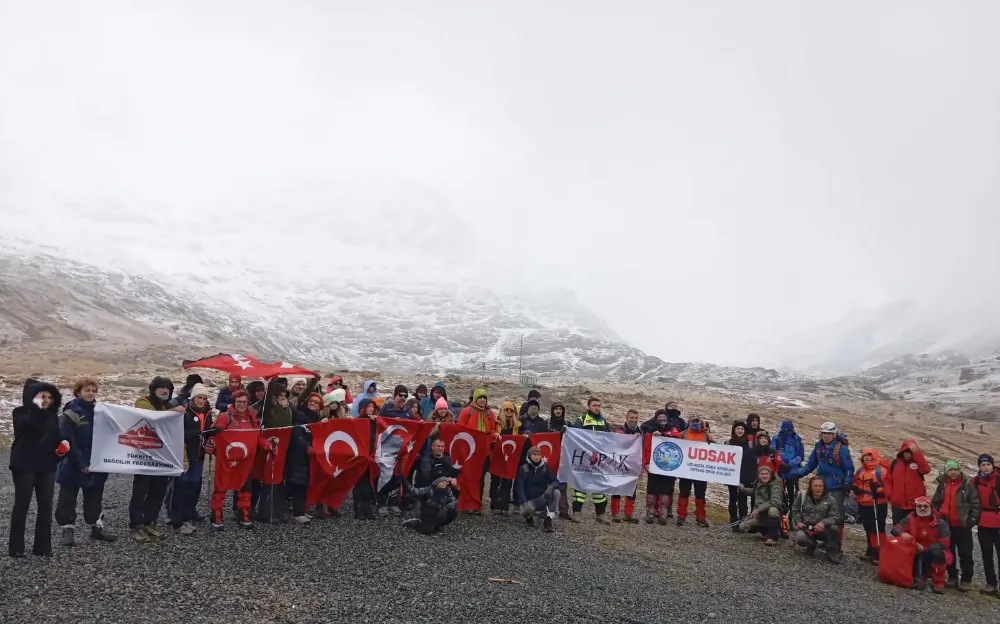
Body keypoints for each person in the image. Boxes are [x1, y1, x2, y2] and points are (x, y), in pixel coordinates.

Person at [9, 379, 67, 558]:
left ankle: (42, 547)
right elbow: (29, 427)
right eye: (42, 396)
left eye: (50, 397)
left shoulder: (53, 417)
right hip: (25, 465)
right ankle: (16, 547)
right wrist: (36, 408)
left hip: (47, 465)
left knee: (46, 506)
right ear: (32, 397)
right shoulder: (20, 413)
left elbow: (57, 438)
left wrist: (64, 445)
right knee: (22, 505)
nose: (46, 400)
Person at [55, 378, 116, 547]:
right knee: (67, 499)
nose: (91, 394)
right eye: (87, 390)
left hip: (96, 463)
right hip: (73, 463)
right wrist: (81, 464)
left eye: (94, 391)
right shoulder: (71, 413)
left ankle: (97, 527)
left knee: (94, 497)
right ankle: (67, 530)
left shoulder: (101, 411)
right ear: (78, 392)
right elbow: (68, 440)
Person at [129, 376, 184, 542]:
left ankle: (150, 521)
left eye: (168, 388)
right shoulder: (143, 402)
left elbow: (176, 432)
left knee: (158, 492)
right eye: (161, 387)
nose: (165, 390)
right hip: (144, 457)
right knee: (140, 491)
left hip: (163, 458)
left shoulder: (169, 405)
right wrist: (174, 412)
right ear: (153, 389)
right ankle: (136, 524)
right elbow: (151, 416)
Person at [207, 389, 271, 530]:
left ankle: (243, 514)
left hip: (245, 461)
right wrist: (211, 444)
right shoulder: (225, 417)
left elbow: (256, 436)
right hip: (227, 460)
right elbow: (214, 435)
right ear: (234, 402)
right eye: (239, 402)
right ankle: (216, 514)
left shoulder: (251, 418)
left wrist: (267, 444)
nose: (241, 404)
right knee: (221, 487)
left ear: (248, 403)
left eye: (244, 402)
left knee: (245, 486)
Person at [787, 422, 854, 539]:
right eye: (824, 433)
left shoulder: (841, 448)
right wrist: (798, 474)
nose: (826, 436)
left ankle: (835, 542)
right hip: (821, 486)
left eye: (829, 433)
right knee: (822, 513)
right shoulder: (818, 447)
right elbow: (811, 464)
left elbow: (849, 468)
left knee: (837, 515)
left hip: (837, 487)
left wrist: (848, 483)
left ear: (834, 434)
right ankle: (820, 538)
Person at [168, 383, 213, 535]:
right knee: (181, 486)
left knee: (194, 487)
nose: (202, 400)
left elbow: (207, 433)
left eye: (204, 398)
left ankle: (187, 517)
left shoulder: (207, 413)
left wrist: (210, 437)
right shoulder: (186, 412)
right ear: (193, 397)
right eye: (199, 397)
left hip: (199, 456)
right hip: (185, 455)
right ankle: (176, 521)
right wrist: (184, 455)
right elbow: (180, 434)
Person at [932, 458, 981, 591]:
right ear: (946, 471)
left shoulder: (967, 485)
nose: (953, 472)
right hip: (946, 525)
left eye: (956, 469)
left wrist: (972, 520)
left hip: (963, 525)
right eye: (950, 470)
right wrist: (937, 515)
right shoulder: (942, 484)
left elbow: (976, 504)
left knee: (965, 553)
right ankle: (952, 577)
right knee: (949, 552)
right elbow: (935, 501)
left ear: (960, 470)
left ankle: (966, 579)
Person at [891, 496, 951, 593]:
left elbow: (944, 542)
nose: (922, 508)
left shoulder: (940, 522)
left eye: (925, 506)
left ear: (931, 508)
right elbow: (896, 528)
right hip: (915, 550)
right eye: (919, 506)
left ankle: (938, 582)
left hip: (932, 551)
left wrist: (925, 548)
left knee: (938, 554)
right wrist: (902, 533)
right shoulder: (911, 517)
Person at [570, 397, 612, 524]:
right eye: (594, 405)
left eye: (599, 405)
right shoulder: (581, 420)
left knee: (598, 486)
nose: (597, 407)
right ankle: (576, 513)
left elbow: (610, 438)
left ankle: (600, 514)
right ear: (588, 406)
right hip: (584, 458)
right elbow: (575, 436)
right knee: (580, 486)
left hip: (598, 459)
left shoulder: (604, 422)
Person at [285, 392, 325, 524]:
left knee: (304, 484)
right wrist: (306, 447)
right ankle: (297, 513)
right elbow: (297, 434)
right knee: (298, 484)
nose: (313, 403)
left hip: (310, 457)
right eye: (311, 401)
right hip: (298, 455)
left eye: (316, 402)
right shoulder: (300, 415)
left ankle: (301, 510)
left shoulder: (317, 418)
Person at [850, 447, 890, 564]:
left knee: (878, 529)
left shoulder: (881, 471)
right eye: (865, 455)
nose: (866, 457)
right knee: (868, 527)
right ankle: (871, 551)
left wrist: (877, 490)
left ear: (875, 456)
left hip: (878, 503)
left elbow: (889, 487)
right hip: (864, 503)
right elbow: (856, 482)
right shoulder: (860, 471)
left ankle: (881, 553)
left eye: (869, 455)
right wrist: (856, 489)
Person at [790, 476, 842, 562]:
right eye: (816, 486)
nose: (818, 488)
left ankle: (831, 550)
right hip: (807, 527)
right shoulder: (802, 496)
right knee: (801, 538)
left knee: (834, 529)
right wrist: (798, 522)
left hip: (823, 528)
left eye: (820, 486)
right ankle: (811, 545)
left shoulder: (831, 499)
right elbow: (795, 510)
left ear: (824, 487)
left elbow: (835, 516)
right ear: (811, 487)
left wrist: (823, 523)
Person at [676, 416, 712, 527]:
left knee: (700, 494)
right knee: (684, 493)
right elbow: (672, 441)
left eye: (697, 422)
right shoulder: (684, 434)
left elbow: (714, 449)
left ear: (701, 424)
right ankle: (681, 516)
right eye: (693, 422)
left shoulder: (706, 435)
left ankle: (701, 517)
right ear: (689, 423)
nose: (695, 424)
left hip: (701, 470)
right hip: (686, 469)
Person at [973, 453, 1000, 596]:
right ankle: (991, 584)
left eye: (988, 464)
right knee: (987, 555)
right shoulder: (975, 481)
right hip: (983, 523)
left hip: (998, 521)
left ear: (992, 465)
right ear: (979, 467)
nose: (986, 467)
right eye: (982, 465)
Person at [516, 445, 560, 532]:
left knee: (556, 492)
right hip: (529, 500)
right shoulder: (523, 469)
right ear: (529, 456)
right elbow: (519, 487)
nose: (536, 456)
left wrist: (551, 487)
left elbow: (556, 481)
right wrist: (524, 501)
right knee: (525, 509)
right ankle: (529, 517)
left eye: (538, 454)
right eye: (534, 454)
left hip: (543, 498)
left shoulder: (545, 467)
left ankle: (548, 520)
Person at [888, 439, 932, 525]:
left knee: (915, 531)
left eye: (911, 452)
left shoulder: (918, 463)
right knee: (898, 530)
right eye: (906, 452)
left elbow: (926, 470)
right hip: (898, 505)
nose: (908, 454)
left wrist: (917, 453)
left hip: (915, 505)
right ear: (902, 452)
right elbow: (888, 480)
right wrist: (891, 495)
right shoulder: (895, 463)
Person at [738, 465, 784, 546]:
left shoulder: (775, 485)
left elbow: (775, 501)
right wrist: (743, 489)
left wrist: (758, 509)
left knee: (773, 510)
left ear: (770, 475)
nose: (764, 476)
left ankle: (773, 536)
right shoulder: (759, 483)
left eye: (766, 474)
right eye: (762, 474)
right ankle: (765, 531)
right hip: (760, 516)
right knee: (742, 527)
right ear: (759, 475)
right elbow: (754, 492)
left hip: (770, 514)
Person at [489, 401, 521, 516]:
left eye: (511, 410)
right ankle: (494, 505)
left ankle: (504, 505)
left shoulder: (517, 425)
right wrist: (494, 435)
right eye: (506, 410)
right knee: (495, 481)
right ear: (502, 410)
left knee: (507, 482)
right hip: (497, 456)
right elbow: (491, 432)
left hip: (510, 457)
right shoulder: (496, 422)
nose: (508, 412)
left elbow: (520, 439)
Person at [611, 409, 642, 523]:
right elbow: (618, 443)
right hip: (619, 463)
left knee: (632, 490)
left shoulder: (640, 431)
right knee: (617, 488)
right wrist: (633, 437)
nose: (634, 420)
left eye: (636, 418)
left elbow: (642, 449)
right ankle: (615, 513)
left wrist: (641, 466)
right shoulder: (620, 430)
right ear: (626, 418)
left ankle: (628, 514)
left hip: (633, 464)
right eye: (632, 418)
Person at [725, 420, 756, 530]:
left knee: (743, 500)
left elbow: (752, 462)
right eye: (738, 428)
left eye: (742, 429)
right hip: (731, 476)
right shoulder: (728, 443)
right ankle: (733, 521)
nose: (740, 431)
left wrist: (749, 477)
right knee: (733, 499)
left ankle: (742, 522)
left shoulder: (749, 444)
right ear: (734, 430)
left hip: (745, 476)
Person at [351, 398, 379, 520]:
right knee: (359, 482)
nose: (371, 409)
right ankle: (358, 507)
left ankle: (367, 506)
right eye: (368, 406)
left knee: (368, 482)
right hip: (360, 457)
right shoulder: (357, 421)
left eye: (373, 406)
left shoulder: (377, 422)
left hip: (371, 456)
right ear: (363, 408)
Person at [772, 420, 804, 508]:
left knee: (792, 495)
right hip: (779, 471)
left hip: (792, 471)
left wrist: (790, 464)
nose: (787, 433)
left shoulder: (797, 439)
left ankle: (792, 514)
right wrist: (781, 464)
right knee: (778, 494)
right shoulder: (776, 438)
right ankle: (781, 513)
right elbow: (772, 453)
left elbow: (800, 455)